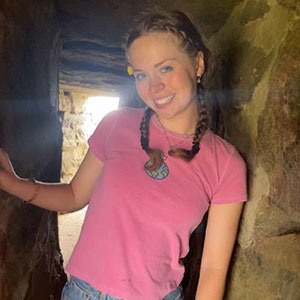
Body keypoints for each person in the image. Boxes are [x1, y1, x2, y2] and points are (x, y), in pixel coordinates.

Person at [0, 9, 247, 300]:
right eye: (141, 74)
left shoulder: (226, 164)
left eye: (165, 68)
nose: (153, 86)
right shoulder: (116, 124)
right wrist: (13, 183)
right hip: (84, 294)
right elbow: (74, 195)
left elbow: (213, 271)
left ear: (198, 63)